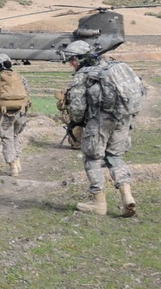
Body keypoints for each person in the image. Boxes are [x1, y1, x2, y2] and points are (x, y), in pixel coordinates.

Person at [62, 40, 146, 216]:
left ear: (79, 58)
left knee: (92, 158)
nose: (71, 64)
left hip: (100, 121)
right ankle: (127, 197)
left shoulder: (83, 74)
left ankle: (98, 203)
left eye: (72, 60)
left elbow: (77, 107)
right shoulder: (111, 67)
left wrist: (76, 122)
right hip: (123, 119)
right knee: (115, 156)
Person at [0, 53, 31, 176]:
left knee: (7, 138)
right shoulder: (20, 77)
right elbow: (27, 92)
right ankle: (18, 161)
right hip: (21, 112)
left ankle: (12, 166)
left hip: (4, 113)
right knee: (16, 136)